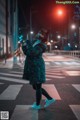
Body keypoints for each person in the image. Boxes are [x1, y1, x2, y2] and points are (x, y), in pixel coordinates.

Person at [22, 29, 56, 110]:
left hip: (37, 67)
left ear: (43, 36)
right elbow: (28, 53)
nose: (38, 34)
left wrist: (29, 44)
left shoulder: (42, 45)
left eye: (40, 33)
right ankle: (50, 99)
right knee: (35, 86)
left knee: (37, 86)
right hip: (32, 67)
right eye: (39, 32)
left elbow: (33, 53)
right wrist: (24, 47)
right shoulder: (35, 42)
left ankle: (37, 105)